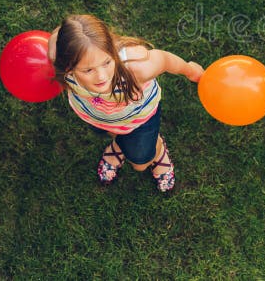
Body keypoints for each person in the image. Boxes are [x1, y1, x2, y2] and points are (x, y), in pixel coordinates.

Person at [48, 14, 203, 192]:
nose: (101, 76)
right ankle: (119, 144)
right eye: (88, 70)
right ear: (67, 64)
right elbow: (56, 37)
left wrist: (191, 71)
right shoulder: (57, 55)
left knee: (140, 163)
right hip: (96, 115)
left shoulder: (136, 66)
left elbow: (166, 60)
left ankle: (158, 151)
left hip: (138, 118)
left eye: (107, 62)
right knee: (113, 134)